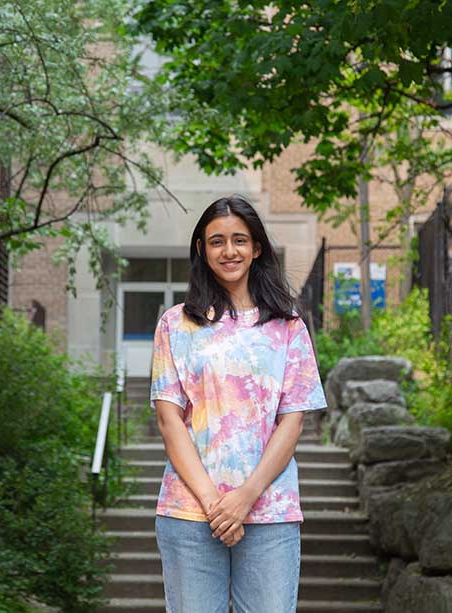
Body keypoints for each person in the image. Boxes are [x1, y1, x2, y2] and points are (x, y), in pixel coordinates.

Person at [150, 194, 327, 613]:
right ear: (201, 249)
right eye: (217, 241)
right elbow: (169, 420)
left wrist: (246, 496)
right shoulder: (176, 324)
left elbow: (292, 422)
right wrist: (215, 505)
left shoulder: (288, 326)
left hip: (270, 510)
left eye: (239, 240)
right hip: (191, 511)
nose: (229, 251)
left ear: (257, 247)